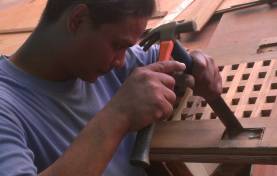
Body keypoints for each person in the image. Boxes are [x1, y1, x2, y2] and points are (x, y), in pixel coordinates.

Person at [0, 0, 222, 175]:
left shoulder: (102, 62)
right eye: (117, 45)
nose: (122, 61)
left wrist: (198, 62)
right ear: (78, 20)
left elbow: (169, 60)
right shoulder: (6, 106)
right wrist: (119, 114)